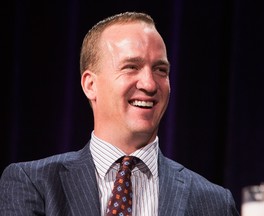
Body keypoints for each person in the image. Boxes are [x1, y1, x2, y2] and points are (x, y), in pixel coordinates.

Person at [0, 11, 240, 216]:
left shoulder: (214, 202)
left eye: (160, 70)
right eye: (131, 67)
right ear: (90, 85)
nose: (149, 84)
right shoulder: (34, 184)